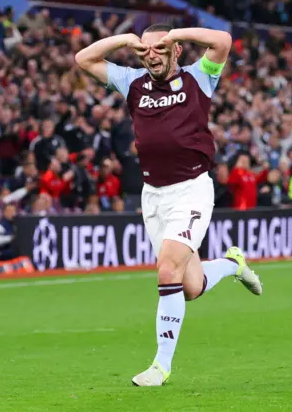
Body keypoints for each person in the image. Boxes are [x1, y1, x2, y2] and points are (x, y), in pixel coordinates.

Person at [76, 24, 262, 387]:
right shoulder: (132, 82)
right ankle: (231, 264)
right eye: (145, 51)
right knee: (190, 287)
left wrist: (176, 33)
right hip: (154, 196)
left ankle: (161, 366)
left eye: (159, 49)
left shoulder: (199, 78)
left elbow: (223, 41)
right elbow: (84, 59)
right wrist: (127, 41)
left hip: (191, 190)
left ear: (176, 50)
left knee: (166, 271)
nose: (151, 56)